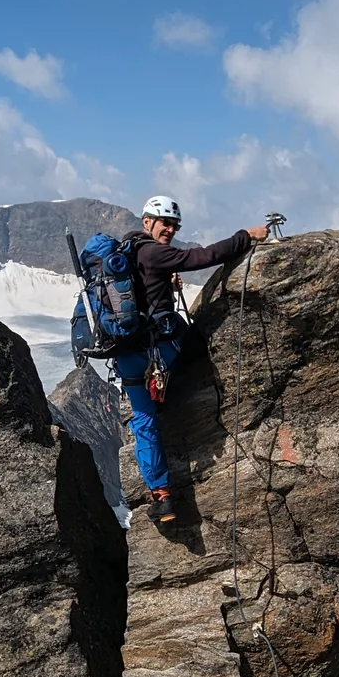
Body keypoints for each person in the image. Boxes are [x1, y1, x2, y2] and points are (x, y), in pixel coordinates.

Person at [116, 196, 271, 523]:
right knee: (194, 344)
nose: (171, 230)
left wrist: (165, 283)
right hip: (159, 352)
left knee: (144, 421)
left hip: (127, 354)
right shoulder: (154, 252)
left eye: (175, 226)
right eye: (165, 223)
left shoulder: (127, 252)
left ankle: (161, 497)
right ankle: (165, 394)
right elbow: (203, 256)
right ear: (147, 221)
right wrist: (245, 236)